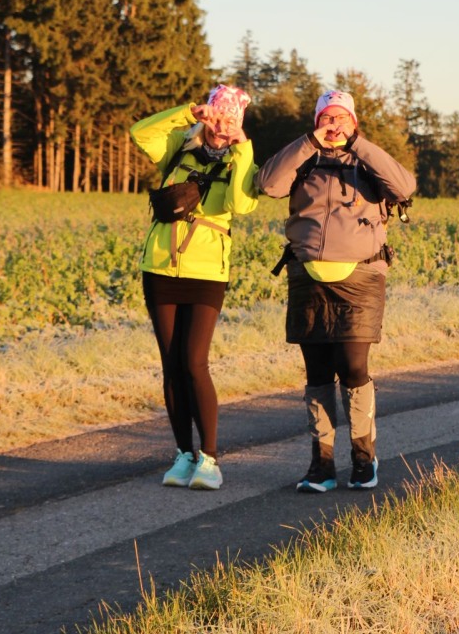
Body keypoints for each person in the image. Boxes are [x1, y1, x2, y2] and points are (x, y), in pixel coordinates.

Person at [256, 89, 416, 492]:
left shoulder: (366, 162)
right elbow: (269, 184)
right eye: (327, 117)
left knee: (352, 367)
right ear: (316, 123)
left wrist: (357, 144)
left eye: (342, 117)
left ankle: (363, 458)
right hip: (308, 275)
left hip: (360, 277)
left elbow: (403, 186)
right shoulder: (304, 159)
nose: (334, 124)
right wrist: (309, 143)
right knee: (317, 372)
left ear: (354, 123)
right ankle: (322, 464)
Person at [130, 85, 257, 490]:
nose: (221, 127)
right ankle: (184, 453)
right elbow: (140, 133)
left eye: (229, 120)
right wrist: (188, 113)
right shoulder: (180, 148)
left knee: (194, 361)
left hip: (206, 275)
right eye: (217, 118)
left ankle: (210, 458)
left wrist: (242, 145)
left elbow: (241, 204)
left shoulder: (241, 161)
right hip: (159, 269)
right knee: (171, 363)